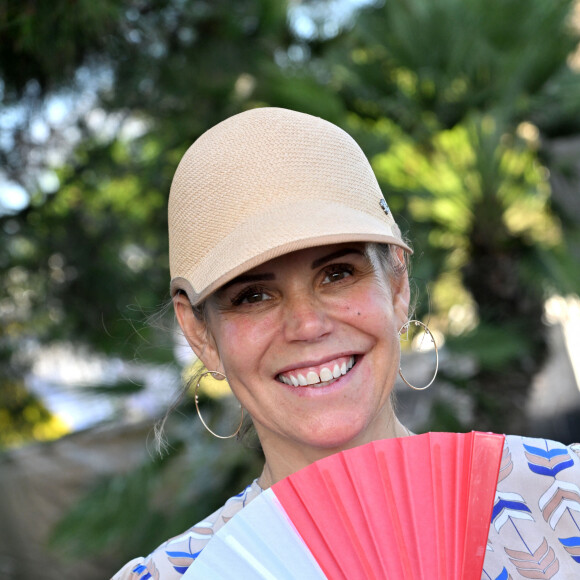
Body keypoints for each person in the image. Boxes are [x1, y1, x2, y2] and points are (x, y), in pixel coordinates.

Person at [113, 108, 580, 579]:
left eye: (337, 273)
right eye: (253, 295)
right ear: (200, 334)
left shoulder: (568, 498)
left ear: (397, 286)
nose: (307, 324)